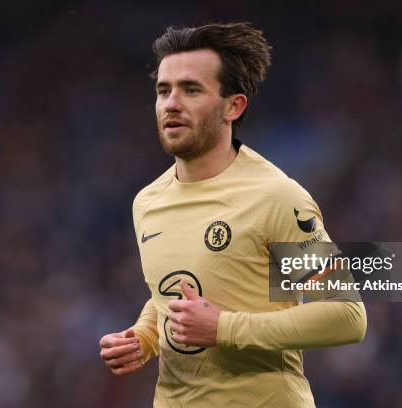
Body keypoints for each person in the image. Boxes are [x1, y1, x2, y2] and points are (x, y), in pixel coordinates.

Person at [100, 22, 367, 407]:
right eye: (163, 90)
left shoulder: (275, 197)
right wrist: (144, 337)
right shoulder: (148, 202)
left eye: (191, 89)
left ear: (233, 106)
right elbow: (171, 291)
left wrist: (224, 327)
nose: (171, 103)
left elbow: (346, 315)